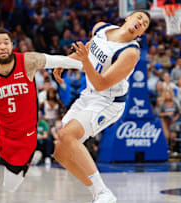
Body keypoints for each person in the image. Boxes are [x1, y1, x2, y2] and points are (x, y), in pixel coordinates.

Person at [0, 28, 84, 203]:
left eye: (6, 42)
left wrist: (86, 66)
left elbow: (58, 59)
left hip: (24, 138)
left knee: (10, 186)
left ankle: (20, 164)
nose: (2, 46)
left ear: (12, 45)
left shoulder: (28, 61)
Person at [53, 10, 151, 203]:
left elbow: (101, 83)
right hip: (89, 95)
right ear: (128, 18)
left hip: (108, 101)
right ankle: (98, 193)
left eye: (146, 23)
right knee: (61, 152)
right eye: (139, 17)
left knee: (67, 135)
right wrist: (66, 61)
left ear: (140, 34)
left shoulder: (130, 53)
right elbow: (90, 47)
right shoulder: (101, 27)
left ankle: (103, 191)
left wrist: (83, 62)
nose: (141, 22)